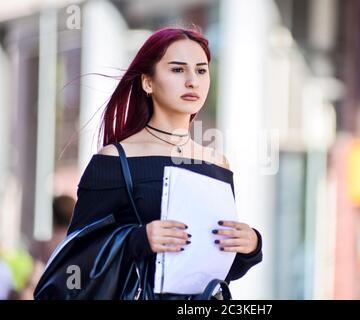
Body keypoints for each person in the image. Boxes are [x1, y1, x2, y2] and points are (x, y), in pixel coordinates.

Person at [67, 26, 263, 300]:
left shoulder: (219, 163)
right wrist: (137, 240)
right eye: (177, 69)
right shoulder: (114, 159)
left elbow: (215, 268)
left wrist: (250, 246)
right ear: (148, 82)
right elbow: (73, 262)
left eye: (201, 70)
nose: (192, 81)